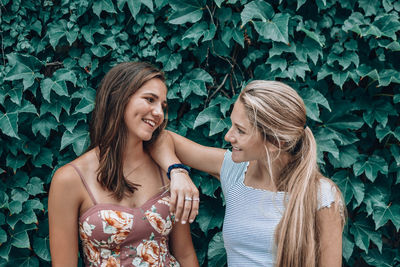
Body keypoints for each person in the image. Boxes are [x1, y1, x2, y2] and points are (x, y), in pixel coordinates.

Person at [150, 80, 346, 267]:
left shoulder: (322, 196)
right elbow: (160, 137)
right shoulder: (234, 171)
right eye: (232, 124)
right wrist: (177, 172)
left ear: (277, 142)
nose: (228, 136)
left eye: (241, 131)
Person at [48, 62, 199, 267]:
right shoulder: (70, 179)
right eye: (150, 100)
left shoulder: (167, 169)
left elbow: (186, 255)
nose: (159, 113)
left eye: (162, 106)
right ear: (119, 98)